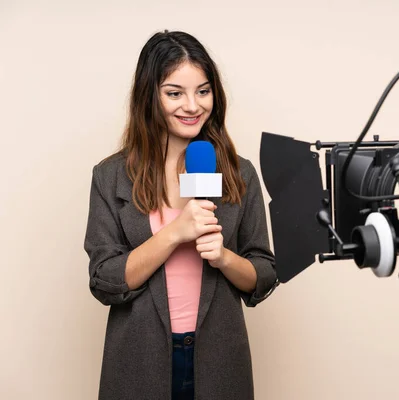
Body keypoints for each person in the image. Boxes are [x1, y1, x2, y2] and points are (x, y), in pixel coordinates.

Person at [83, 30, 278, 400]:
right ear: (149, 96)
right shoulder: (110, 176)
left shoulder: (241, 173)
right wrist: (174, 233)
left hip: (219, 359)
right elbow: (104, 279)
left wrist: (223, 257)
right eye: (175, 93)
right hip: (139, 360)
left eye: (203, 91)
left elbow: (264, 275)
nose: (192, 106)